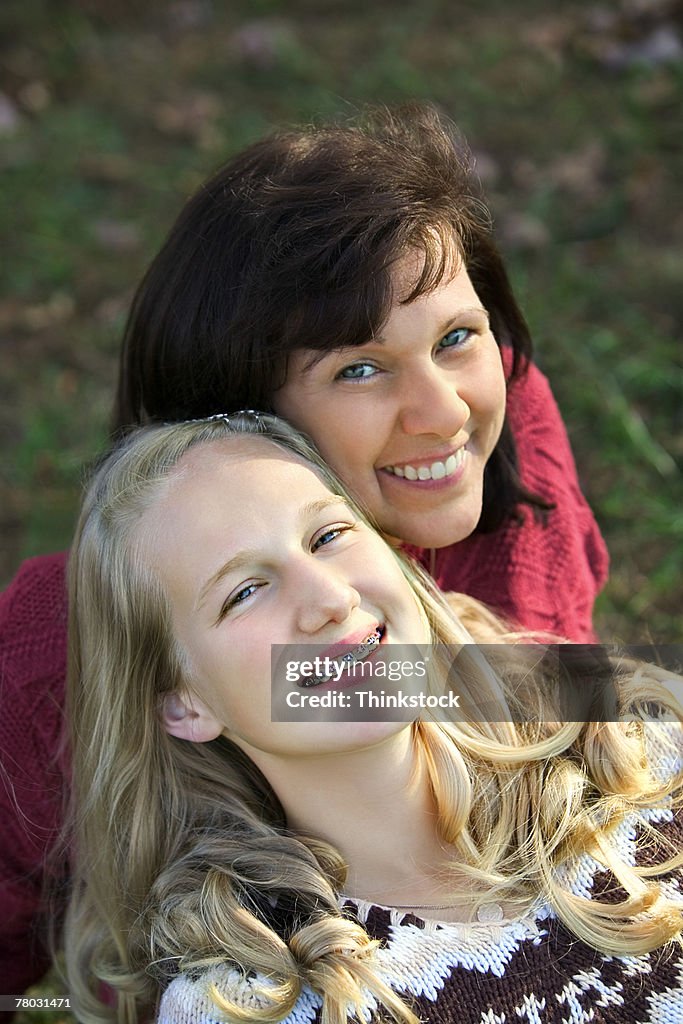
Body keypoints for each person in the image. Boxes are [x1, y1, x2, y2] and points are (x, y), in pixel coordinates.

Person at [1, 104, 609, 992]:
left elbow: (568, 689)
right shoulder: (56, 655)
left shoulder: (506, 428)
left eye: (456, 338)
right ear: (233, 418)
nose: (445, 412)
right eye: (357, 368)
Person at [65, 413, 682, 1024]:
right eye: (245, 591)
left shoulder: (646, 745)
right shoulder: (250, 1005)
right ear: (183, 703)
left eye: (327, 536)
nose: (331, 599)